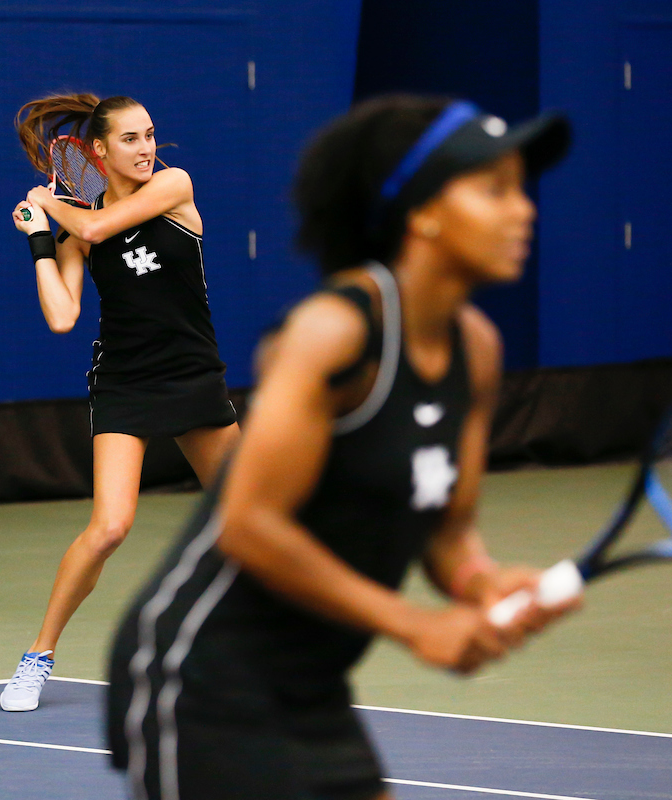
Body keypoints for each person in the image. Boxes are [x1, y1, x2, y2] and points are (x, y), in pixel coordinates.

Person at [104, 94, 578, 800]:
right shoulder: (335, 333)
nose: (523, 209)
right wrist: (416, 626)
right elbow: (249, 525)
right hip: (201, 680)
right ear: (422, 214)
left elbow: (444, 528)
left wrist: (480, 581)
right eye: (493, 190)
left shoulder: (476, 350)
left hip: (311, 687)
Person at [2, 93, 241, 712]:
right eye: (131, 140)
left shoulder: (174, 188)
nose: (147, 149)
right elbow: (61, 315)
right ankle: (38, 657)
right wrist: (40, 243)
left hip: (192, 376)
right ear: (99, 151)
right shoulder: (78, 232)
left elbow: (101, 225)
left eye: (150, 135)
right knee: (110, 526)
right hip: (125, 385)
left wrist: (47, 203)